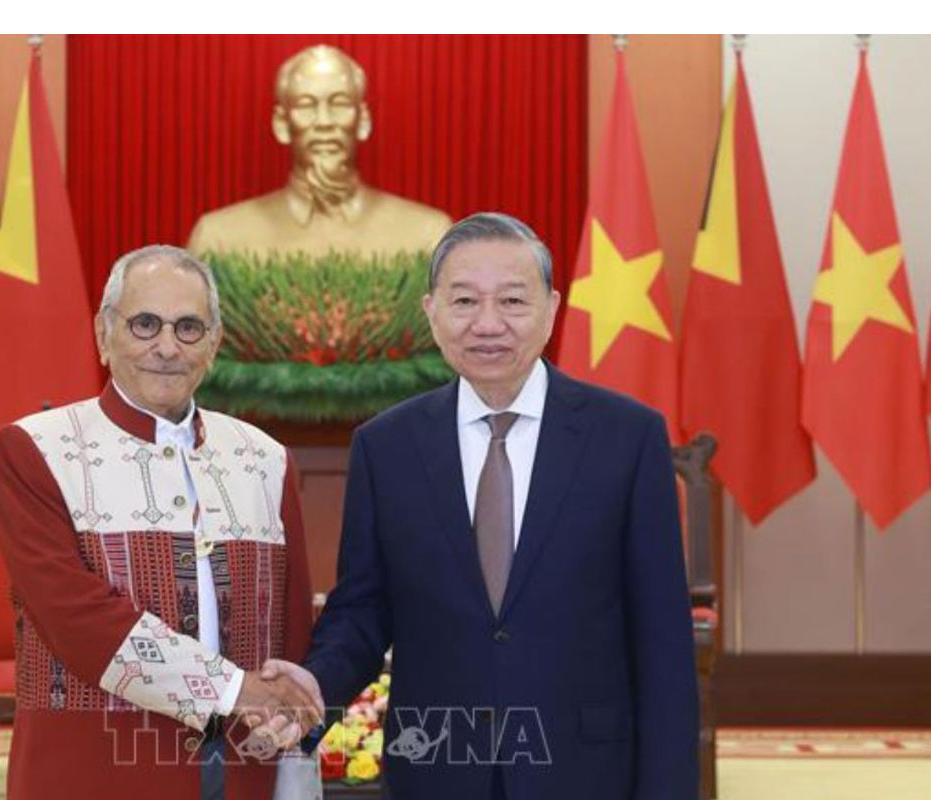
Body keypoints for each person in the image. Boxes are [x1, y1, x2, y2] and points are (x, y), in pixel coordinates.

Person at [265, 213, 698, 798]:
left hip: (585, 771)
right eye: (465, 301)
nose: (488, 324)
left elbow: (662, 640)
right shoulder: (386, 447)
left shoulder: (627, 438)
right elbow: (363, 610)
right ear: (431, 312)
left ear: (551, 308)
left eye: (513, 300)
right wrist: (315, 684)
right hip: (436, 768)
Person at [0, 244, 324, 800]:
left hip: (243, 765)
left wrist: (291, 742)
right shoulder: (37, 449)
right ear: (103, 334)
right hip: (90, 770)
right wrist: (231, 690)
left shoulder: (265, 458)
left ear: (214, 344)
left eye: (188, 328)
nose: (167, 347)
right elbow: (75, 617)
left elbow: (291, 629)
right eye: (144, 324)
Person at [186, 44, 450, 258]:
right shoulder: (219, 239)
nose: (324, 122)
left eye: (340, 103)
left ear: (363, 120)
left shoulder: (427, 236)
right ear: (282, 124)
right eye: (306, 105)